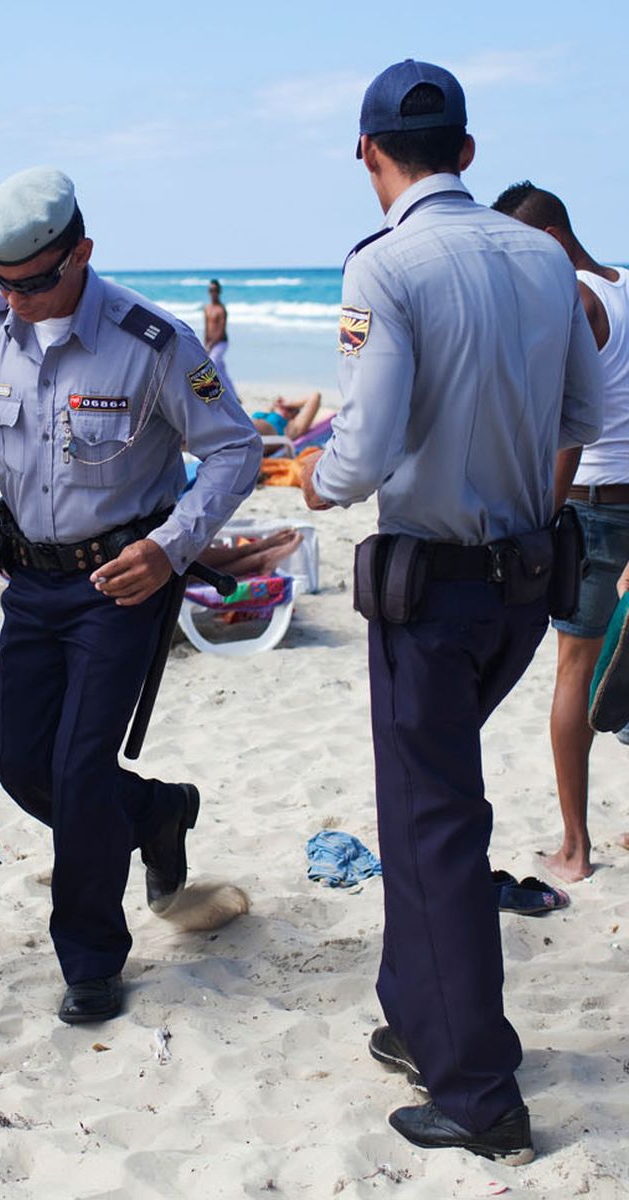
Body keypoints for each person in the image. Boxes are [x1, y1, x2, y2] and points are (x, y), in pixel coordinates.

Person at [0, 167, 262, 1024]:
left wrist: (171, 549)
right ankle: (160, 811)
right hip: (28, 583)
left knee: (78, 770)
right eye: (1, 282)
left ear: (82, 253)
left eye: (34, 282)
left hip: (119, 587)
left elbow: (236, 449)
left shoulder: (154, 342)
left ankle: (93, 960)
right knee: (22, 764)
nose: (16, 298)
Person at [299, 62, 603, 1162]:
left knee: (432, 825)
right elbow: (583, 409)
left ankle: (480, 1094)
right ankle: (421, 1017)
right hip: (527, 585)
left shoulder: (382, 265)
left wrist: (316, 482)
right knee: (432, 804)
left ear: (370, 155)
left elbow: (365, 447)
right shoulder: (541, 255)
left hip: (432, 588)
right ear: (467, 152)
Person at [491, 181, 629, 882]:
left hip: (595, 506)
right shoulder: (628, 285)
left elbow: (568, 425)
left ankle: (575, 849)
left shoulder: (570, 298)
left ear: (546, 238)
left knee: (576, 671)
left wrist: (540, 517)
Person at [250, 391, 322, 441]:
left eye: (290, 409)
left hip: (253, 439)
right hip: (245, 433)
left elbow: (316, 396)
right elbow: (274, 404)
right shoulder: (266, 414)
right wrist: (276, 405)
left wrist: (288, 404)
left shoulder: (292, 427)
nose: (285, 409)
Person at [204, 278, 229, 380]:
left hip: (220, 343)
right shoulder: (207, 308)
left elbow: (221, 330)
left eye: (215, 290)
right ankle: (233, 394)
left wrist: (211, 344)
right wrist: (206, 343)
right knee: (221, 370)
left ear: (219, 291)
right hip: (210, 343)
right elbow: (206, 327)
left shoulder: (221, 309)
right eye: (211, 290)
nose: (213, 293)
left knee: (212, 362)